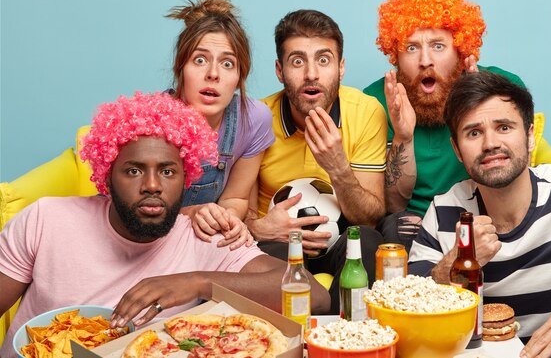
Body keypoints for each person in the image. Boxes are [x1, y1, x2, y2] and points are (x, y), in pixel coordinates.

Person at [0, 92, 330, 358]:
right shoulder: (45, 219)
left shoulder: (206, 236)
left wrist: (197, 282)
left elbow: (314, 296)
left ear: (187, 176)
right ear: (106, 176)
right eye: (134, 170)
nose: (153, 185)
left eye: (168, 171)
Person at [408, 71, 551, 358]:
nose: (490, 144)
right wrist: (454, 266)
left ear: (530, 136)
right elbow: (407, 309)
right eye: (473, 133)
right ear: (457, 150)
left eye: (504, 127)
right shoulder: (446, 212)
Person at [363, 0, 551, 231]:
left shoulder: (501, 88)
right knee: (396, 228)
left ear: (460, 50)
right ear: (396, 56)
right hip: (412, 224)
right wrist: (404, 135)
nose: (425, 61)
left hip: (481, 209)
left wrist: (477, 110)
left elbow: (510, 176)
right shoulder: (375, 101)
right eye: (411, 48)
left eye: (438, 46)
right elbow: (394, 205)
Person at [246, 10, 387, 313]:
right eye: (297, 61)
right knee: (266, 256)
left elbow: (371, 217)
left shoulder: (366, 112)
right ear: (279, 71)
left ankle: (346, 341)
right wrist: (259, 228)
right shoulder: (256, 118)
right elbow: (236, 212)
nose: (311, 73)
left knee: (368, 241)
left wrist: (338, 167)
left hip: (342, 241)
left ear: (341, 67)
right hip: (277, 244)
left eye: (324, 60)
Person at [167, 0, 275, 249]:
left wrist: (227, 220)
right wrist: (191, 214)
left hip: (205, 242)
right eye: (200, 60)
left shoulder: (254, 120)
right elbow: (134, 212)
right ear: (180, 68)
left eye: (227, 64)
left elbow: (236, 198)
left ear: (240, 77)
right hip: (153, 241)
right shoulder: (154, 122)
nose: (213, 74)